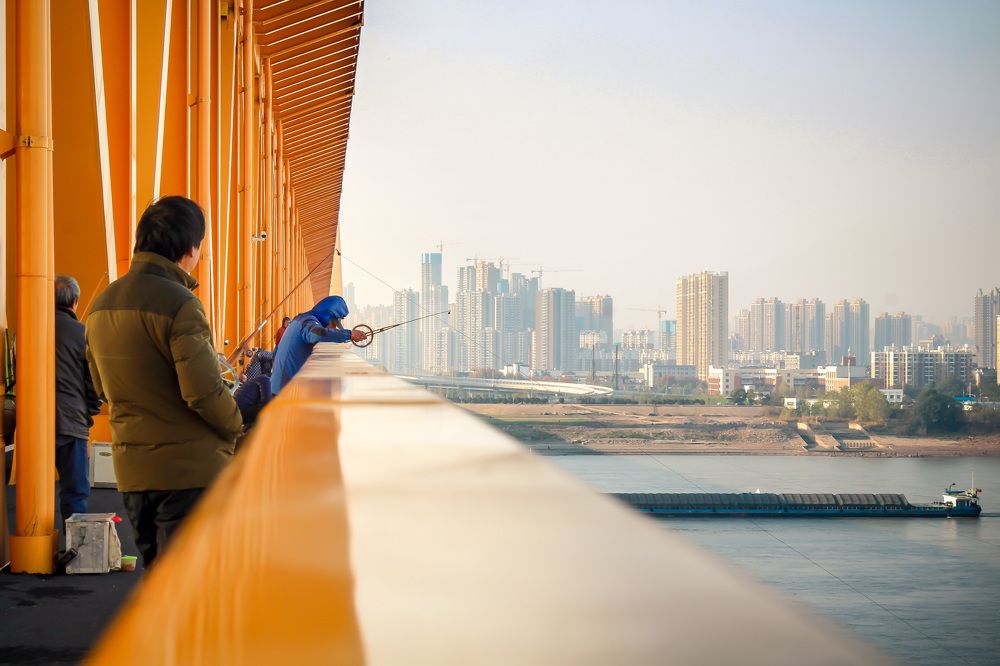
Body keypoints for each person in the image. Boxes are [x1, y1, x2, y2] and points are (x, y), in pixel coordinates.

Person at [85, 196, 242, 568]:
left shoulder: (101, 304)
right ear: (190, 249)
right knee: (191, 585)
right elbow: (203, 393)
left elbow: (102, 388)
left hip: (134, 473)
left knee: (160, 580)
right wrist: (237, 424)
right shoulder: (181, 303)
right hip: (188, 472)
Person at [54, 275, 102, 528]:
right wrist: (89, 410)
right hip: (71, 422)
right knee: (75, 491)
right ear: (75, 301)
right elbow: (94, 382)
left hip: (32, 423)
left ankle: (32, 544)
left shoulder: (27, 330)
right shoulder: (82, 334)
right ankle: (75, 546)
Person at [270, 296, 366, 393]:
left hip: (280, 387)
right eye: (334, 323)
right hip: (283, 392)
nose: (333, 328)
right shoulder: (307, 322)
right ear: (328, 316)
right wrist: (349, 334)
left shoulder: (300, 320)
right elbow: (319, 334)